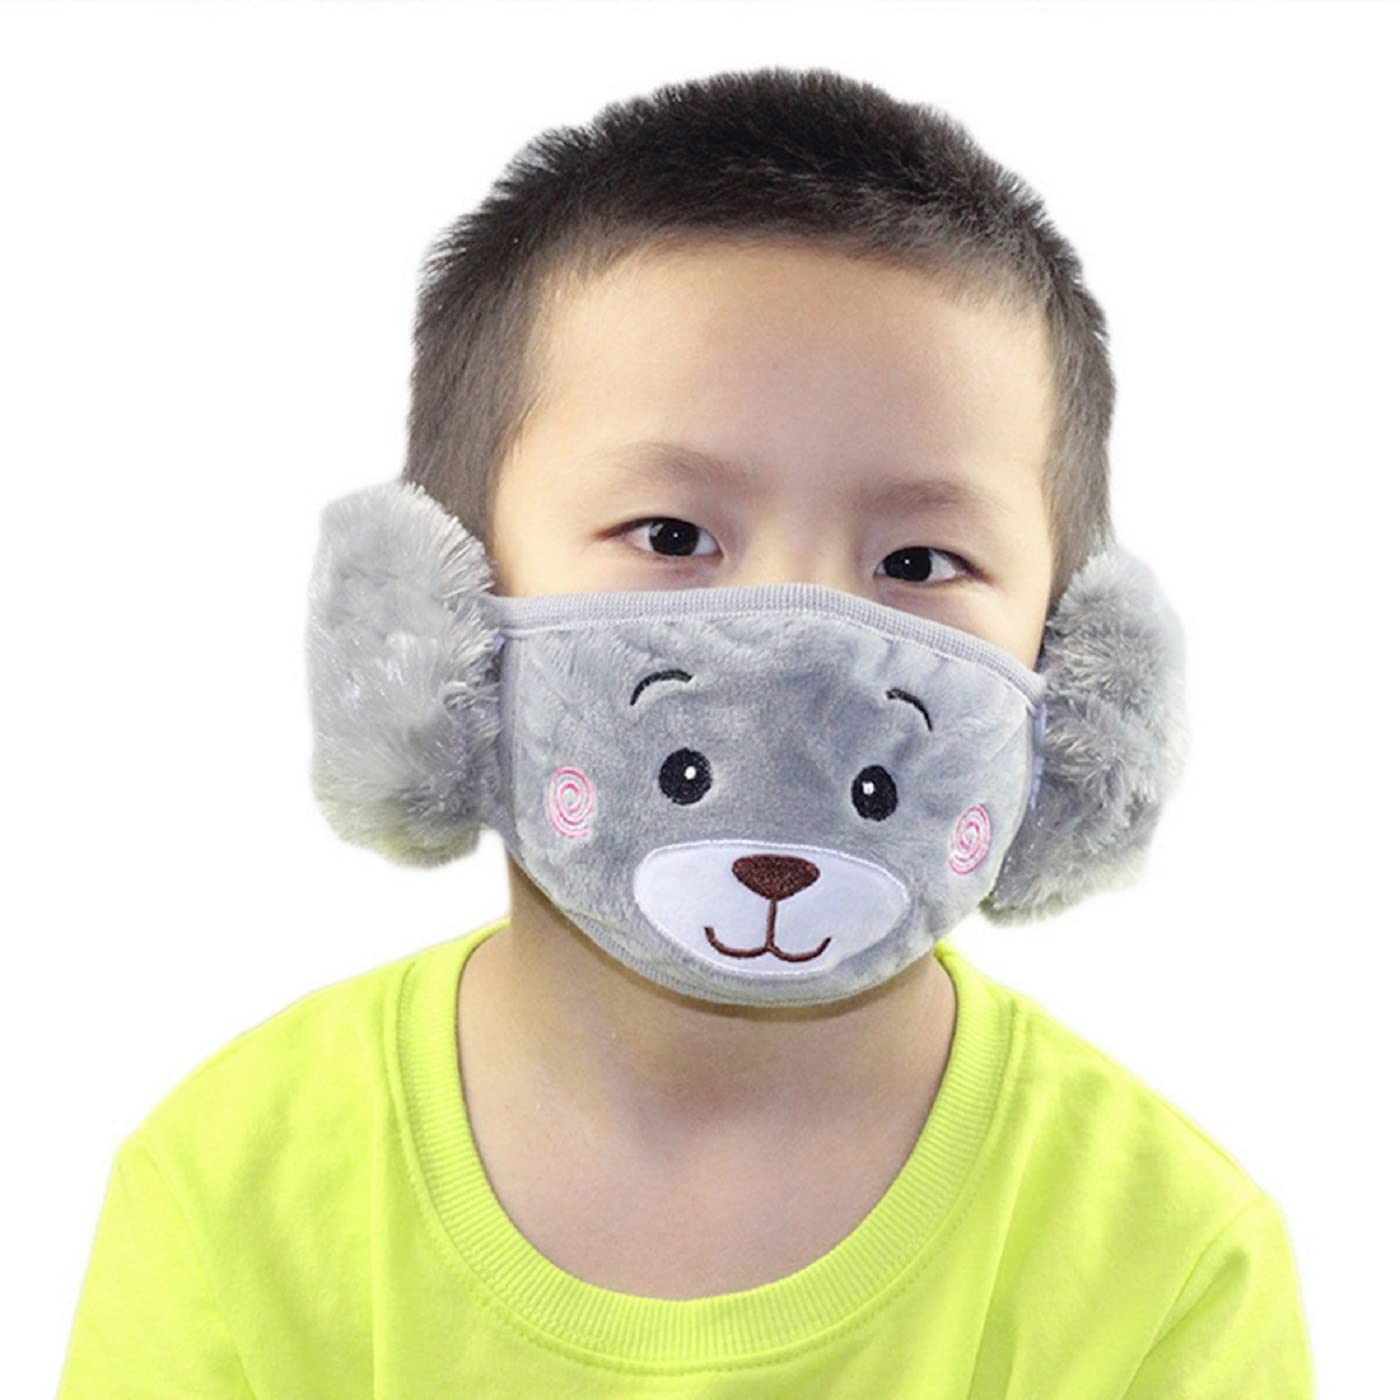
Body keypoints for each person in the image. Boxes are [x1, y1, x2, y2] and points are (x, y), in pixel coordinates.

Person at [57, 66, 1314, 1396]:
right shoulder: (230, 1195)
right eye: (670, 533)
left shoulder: (1170, 1259)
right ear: (433, 622)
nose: (802, 659)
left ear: (1082, 684)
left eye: (920, 560)